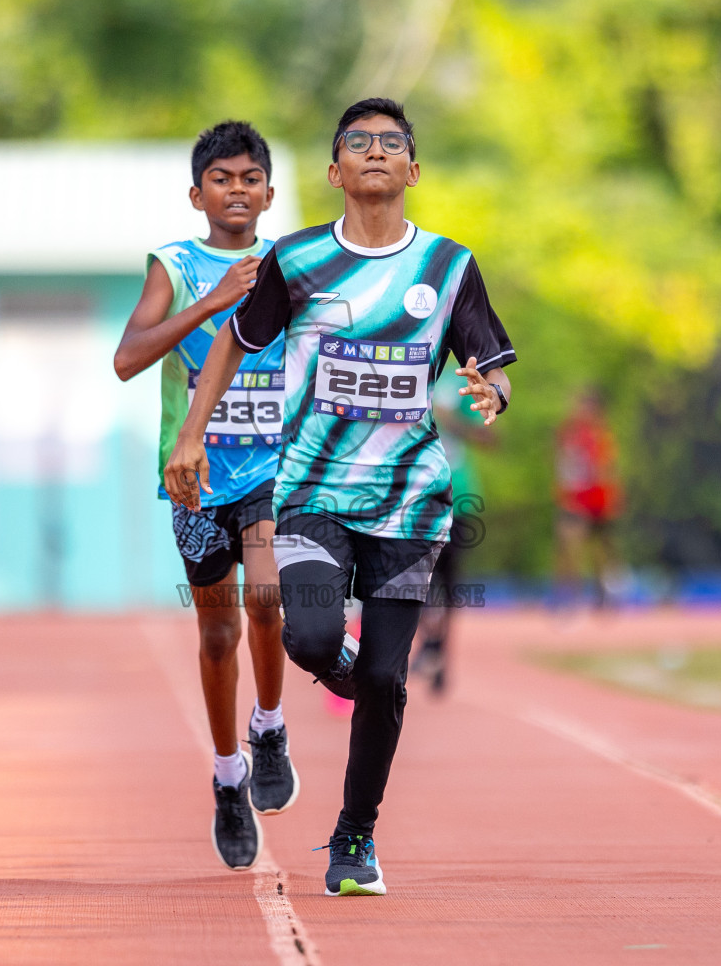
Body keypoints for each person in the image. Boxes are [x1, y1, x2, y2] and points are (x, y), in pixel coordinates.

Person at [165, 97, 516, 897]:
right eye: (357, 143)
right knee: (312, 638)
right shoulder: (296, 262)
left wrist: (490, 390)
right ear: (335, 172)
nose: (375, 152)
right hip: (315, 492)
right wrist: (192, 434)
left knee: (388, 684)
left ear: (414, 170)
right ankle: (350, 670)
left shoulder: (449, 267)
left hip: (410, 503)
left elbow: (488, 361)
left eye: (392, 143)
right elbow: (233, 340)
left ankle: (354, 839)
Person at [113, 121, 297, 872]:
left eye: (250, 177)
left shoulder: (292, 265)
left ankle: (272, 726)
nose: (237, 190)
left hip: (273, 469)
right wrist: (214, 298)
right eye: (221, 178)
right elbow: (128, 358)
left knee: (270, 599)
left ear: (270, 192)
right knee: (218, 635)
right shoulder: (175, 264)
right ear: (197, 193)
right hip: (195, 476)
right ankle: (228, 777)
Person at [411, 380, 492, 694]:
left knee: (449, 583)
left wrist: (455, 420)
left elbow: (488, 435)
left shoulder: (458, 382)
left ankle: (441, 654)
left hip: (459, 494)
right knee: (416, 579)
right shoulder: (410, 367)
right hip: (417, 495)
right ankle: (429, 643)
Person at [554, 387, 620, 613]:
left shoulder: (602, 436)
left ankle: (603, 595)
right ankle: (570, 597)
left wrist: (610, 501)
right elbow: (563, 466)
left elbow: (607, 469)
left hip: (598, 500)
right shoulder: (568, 434)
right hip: (575, 501)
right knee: (570, 547)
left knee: (600, 552)